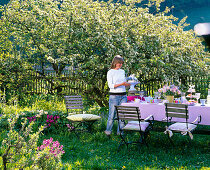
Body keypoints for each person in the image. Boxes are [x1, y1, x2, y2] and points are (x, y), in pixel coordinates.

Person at [104, 55, 130, 136]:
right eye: (119, 63)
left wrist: (127, 84)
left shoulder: (122, 71)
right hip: (114, 96)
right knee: (112, 115)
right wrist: (121, 84)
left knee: (122, 115)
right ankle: (108, 132)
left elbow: (124, 83)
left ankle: (120, 133)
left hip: (123, 95)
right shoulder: (110, 72)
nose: (120, 65)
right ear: (115, 63)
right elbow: (110, 85)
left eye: (121, 63)